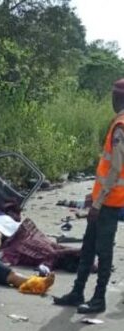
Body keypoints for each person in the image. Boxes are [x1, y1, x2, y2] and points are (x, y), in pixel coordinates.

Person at [54, 78, 124, 314]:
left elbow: (114, 169)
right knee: (88, 247)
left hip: (109, 202)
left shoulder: (121, 126)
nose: (112, 100)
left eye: (115, 95)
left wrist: (99, 201)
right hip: (104, 199)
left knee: (102, 251)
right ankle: (77, 292)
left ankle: (98, 298)